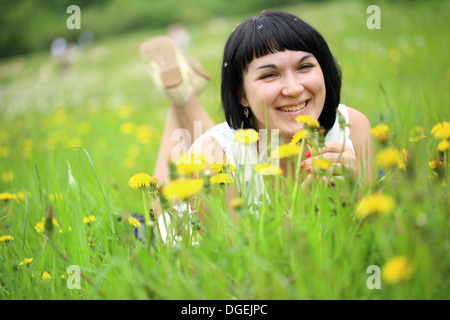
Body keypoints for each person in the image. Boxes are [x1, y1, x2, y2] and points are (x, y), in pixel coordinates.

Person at [139, 10, 374, 241]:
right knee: (159, 212)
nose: (293, 89)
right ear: (241, 94)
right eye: (270, 75)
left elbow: (374, 232)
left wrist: (358, 197)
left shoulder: (351, 128)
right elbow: (240, 264)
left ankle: (180, 96)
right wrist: (302, 211)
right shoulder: (212, 156)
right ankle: (182, 97)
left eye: (304, 67)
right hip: (178, 242)